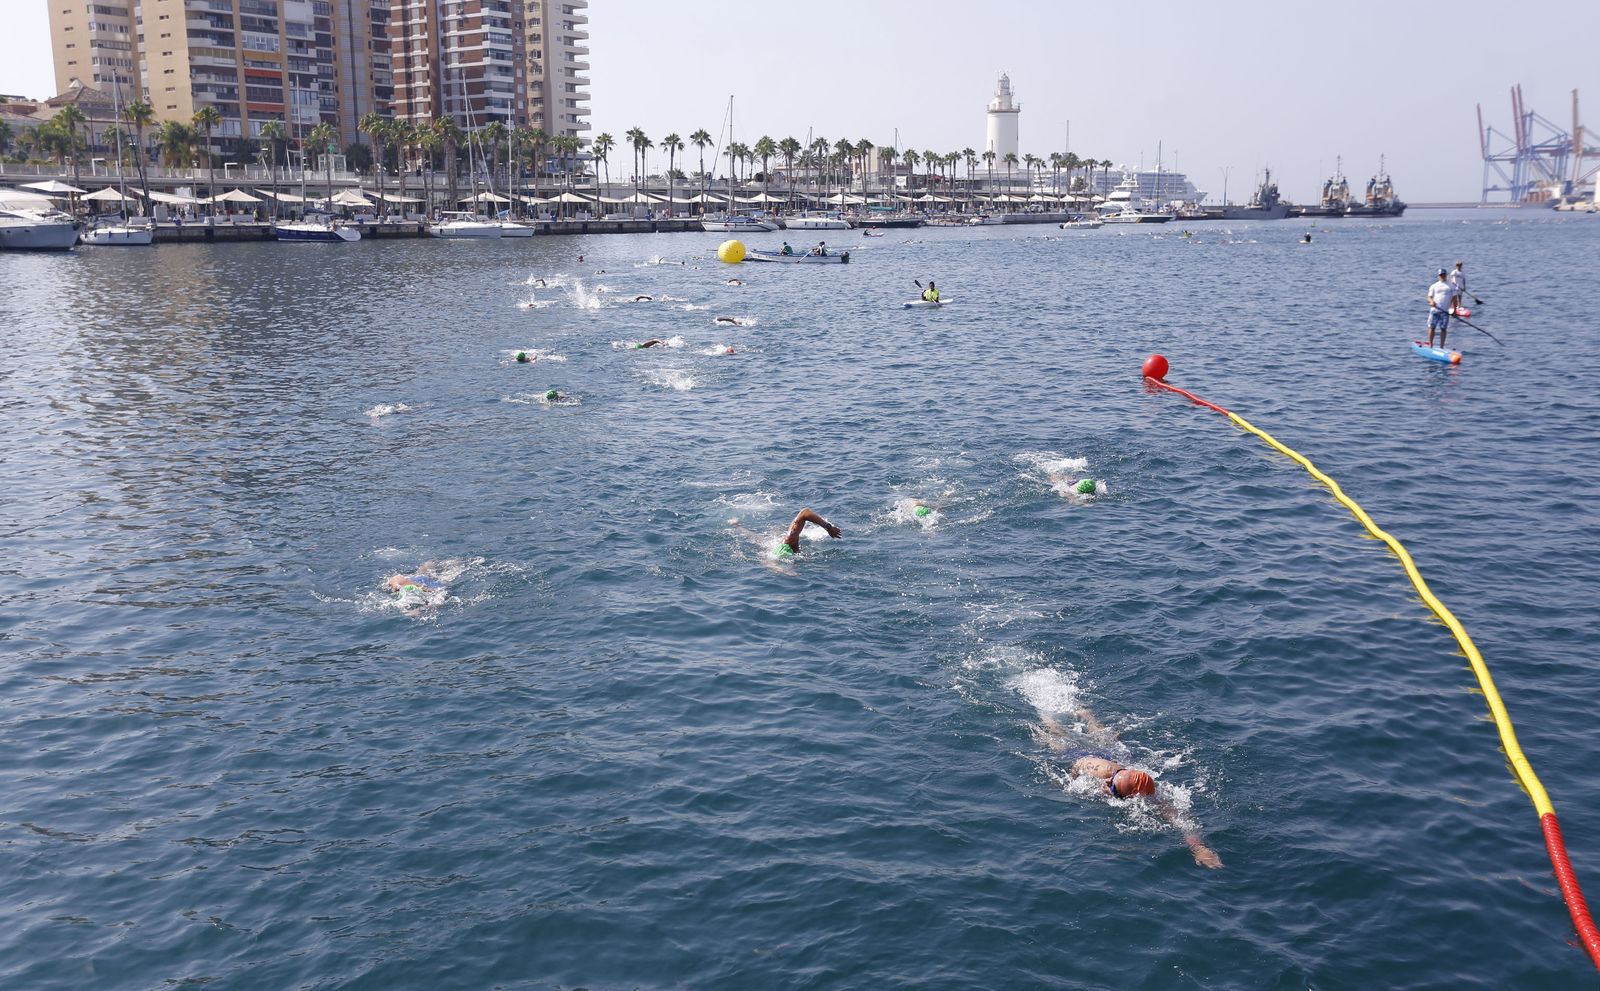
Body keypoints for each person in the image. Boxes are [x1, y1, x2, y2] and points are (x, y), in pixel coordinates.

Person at [1036, 709, 1223, 869]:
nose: (1106, 787)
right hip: (1085, 758)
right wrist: (1069, 780)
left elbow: (1181, 821)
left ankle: (1088, 716)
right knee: (1058, 742)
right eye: (1110, 785)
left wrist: (1198, 848)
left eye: (1113, 791)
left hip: (1115, 760)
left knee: (1108, 740)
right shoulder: (1099, 771)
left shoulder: (1150, 793)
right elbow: (1077, 764)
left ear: (1134, 795)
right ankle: (1047, 716)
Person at [1426, 268, 1455, 348]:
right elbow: (1429, 297)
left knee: (1443, 329)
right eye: (1440, 275)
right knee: (1432, 327)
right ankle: (1430, 345)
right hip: (1434, 310)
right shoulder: (1434, 286)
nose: (1442, 276)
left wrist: (1454, 310)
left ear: (1446, 275)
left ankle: (1441, 347)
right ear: (1438, 276)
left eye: (1443, 274)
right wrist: (1431, 301)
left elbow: (1454, 298)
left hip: (1445, 311)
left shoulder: (1451, 286)